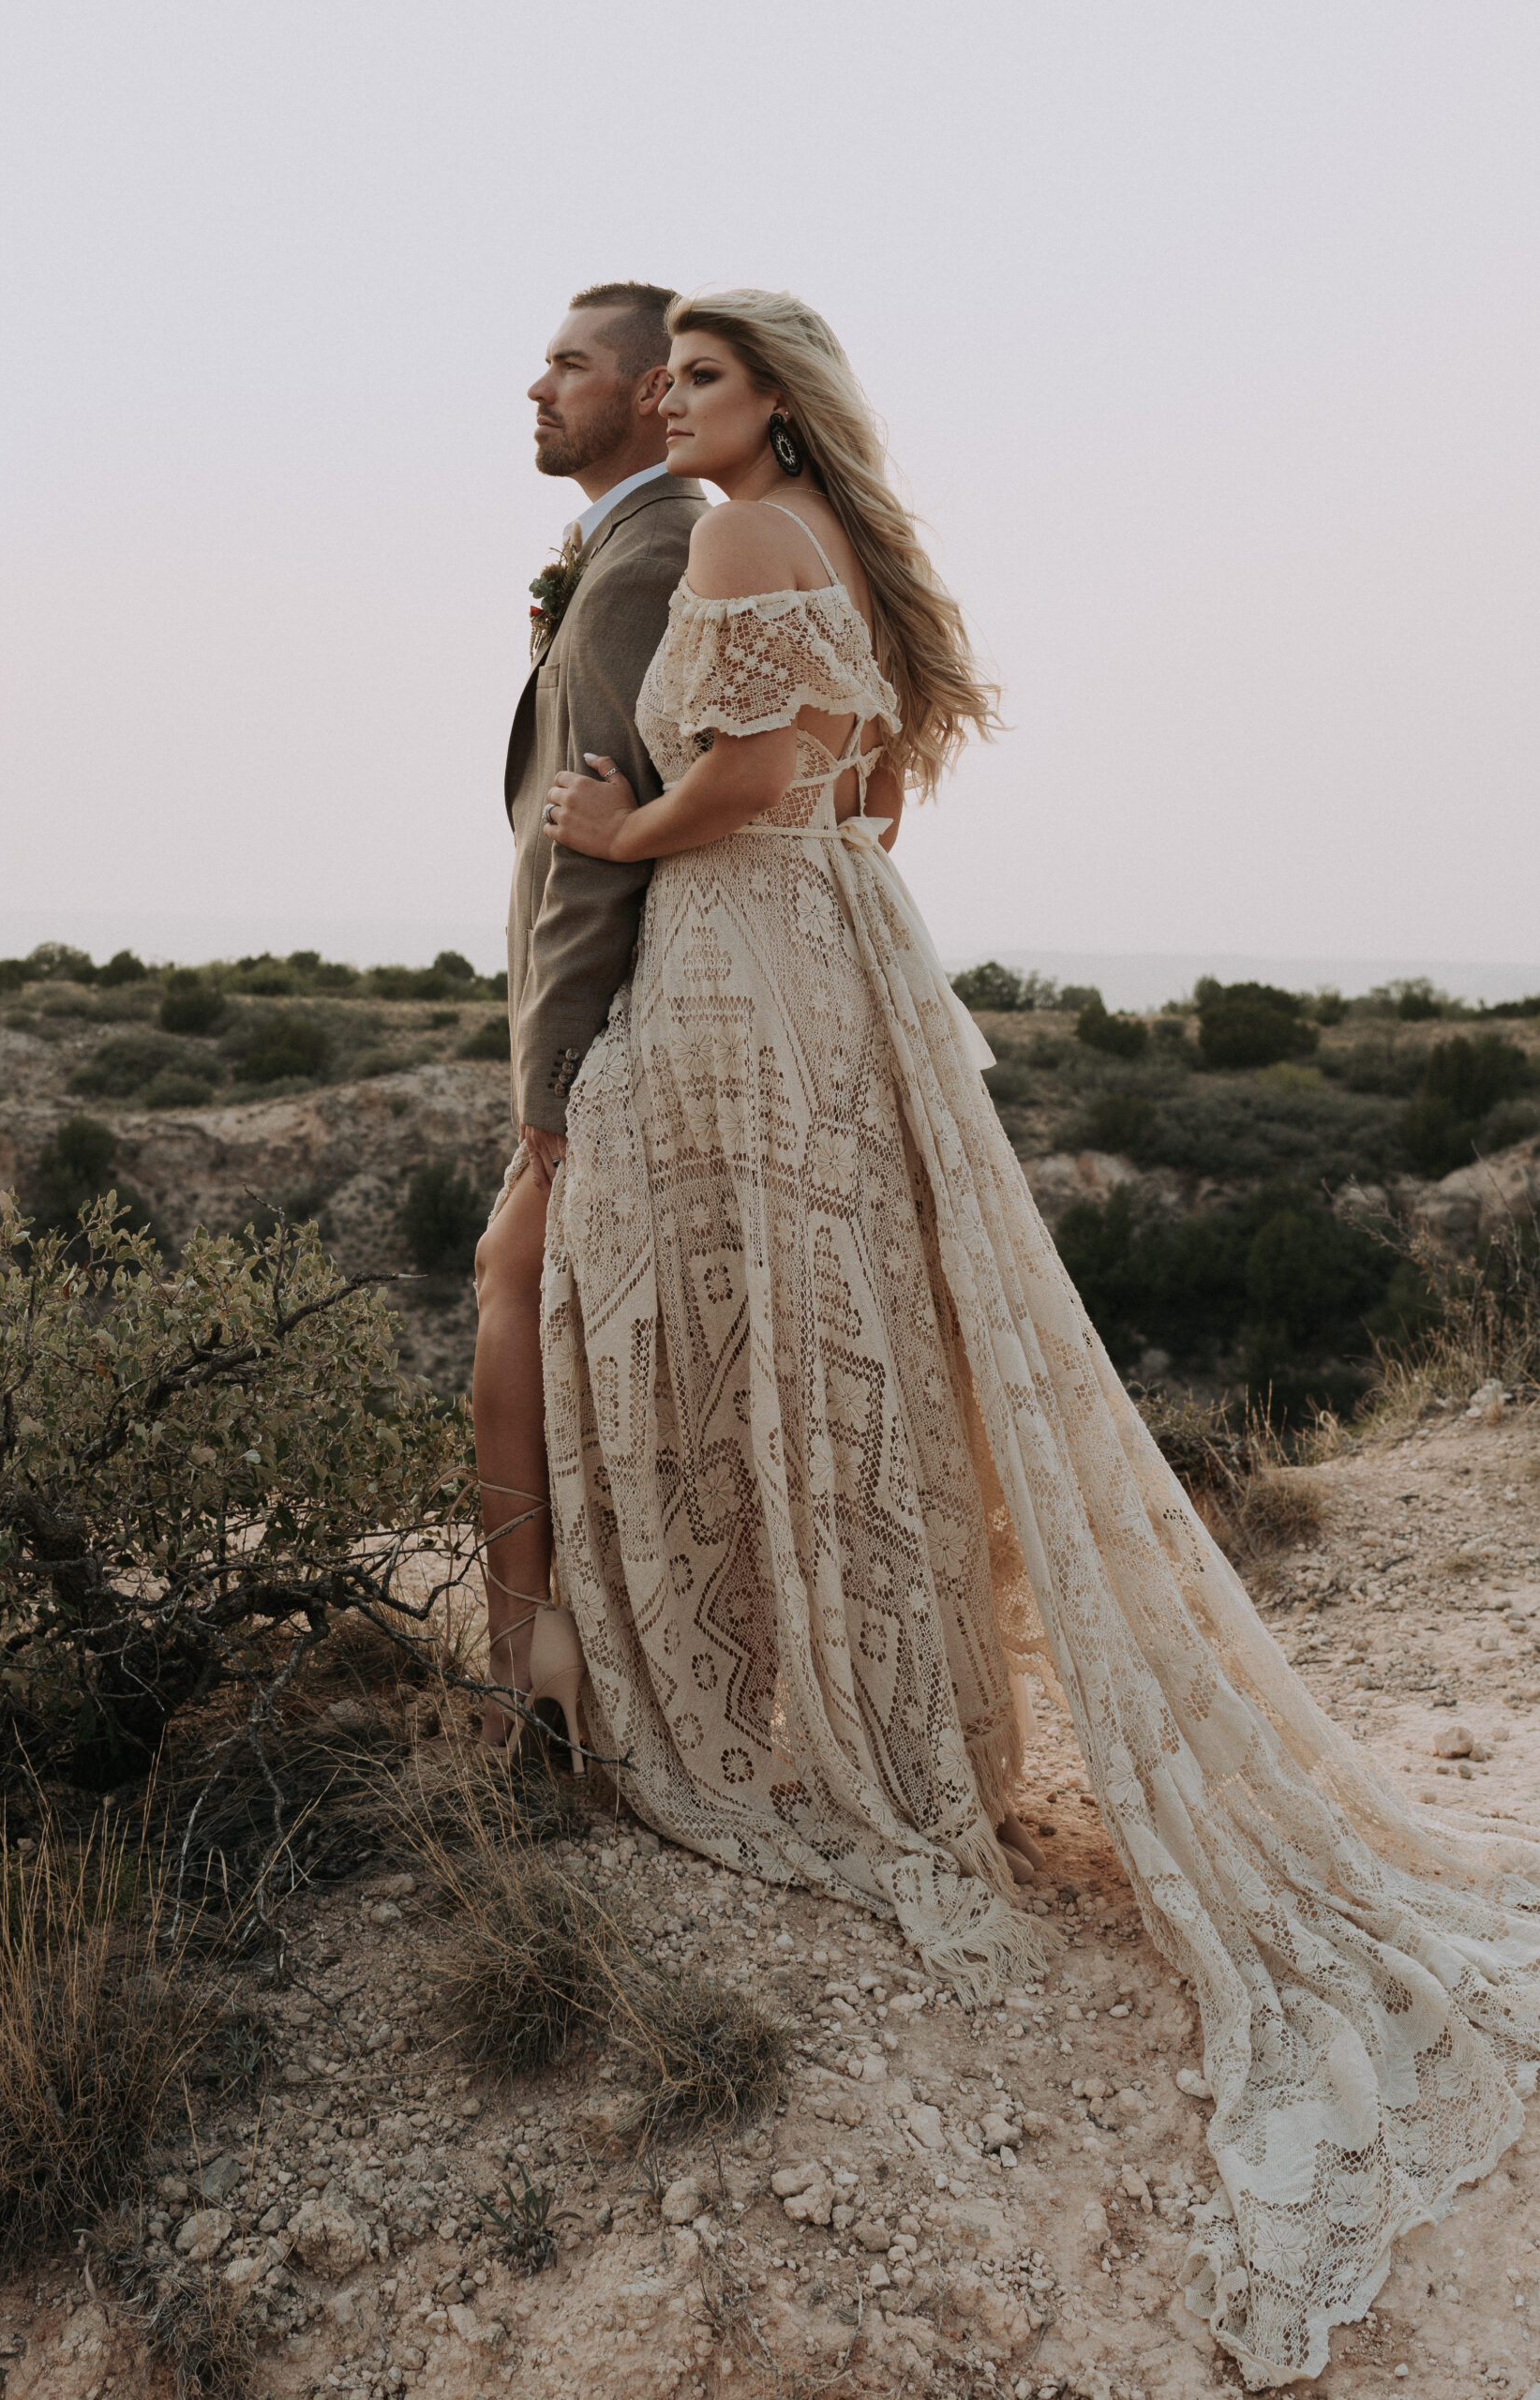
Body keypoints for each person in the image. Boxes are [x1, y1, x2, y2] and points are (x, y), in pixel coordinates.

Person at [534, 288, 1540, 2389]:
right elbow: (866, 765)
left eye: (703, 380)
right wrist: (771, 810)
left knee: (724, 1295)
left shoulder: (733, 534)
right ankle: (882, 1721)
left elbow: (748, 768)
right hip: (838, 944)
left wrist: (623, 831)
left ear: (774, 405)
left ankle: (783, 1719)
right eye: (670, 380)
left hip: (737, 950)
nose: (667, 401)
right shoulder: (842, 547)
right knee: (840, 1313)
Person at [471, 282, 707, 1742]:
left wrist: (550, 1076)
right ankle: (598, 1652)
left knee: (511, 1284)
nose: (536, 387)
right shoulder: (629, 545)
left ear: (642, 392)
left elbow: (594, 841)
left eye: (568, 364)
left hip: (619, 1022)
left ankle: (525, 1668)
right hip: (629, 1015)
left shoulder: (646, 558)